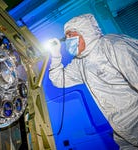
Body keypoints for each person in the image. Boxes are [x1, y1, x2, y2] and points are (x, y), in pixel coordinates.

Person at [48, 13, 138, 149]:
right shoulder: (80, 62)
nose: (68, 41)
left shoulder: (114, 45)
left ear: (86, 32)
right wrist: (55, 55)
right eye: (66, 37)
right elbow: (59, 80)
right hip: (122, 130)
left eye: (71, 35)